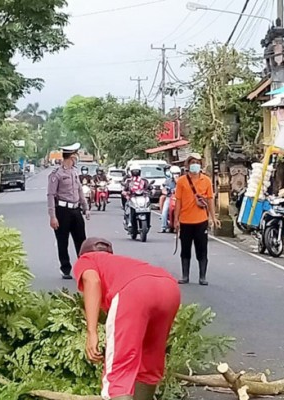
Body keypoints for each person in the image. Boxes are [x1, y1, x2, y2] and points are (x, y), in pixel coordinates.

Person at [74, 237, 180, 400]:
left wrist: (92, 332)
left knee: (120, 367)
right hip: (169, 288)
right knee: (150, 361)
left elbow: (92, 280)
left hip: (134, 291)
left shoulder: (87, 259)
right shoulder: (122, 262)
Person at [174, 153, 220, 286]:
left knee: (202, 249)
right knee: (185, 249)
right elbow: (178, 201)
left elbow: (210, 200)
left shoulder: (206, 180)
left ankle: (202, 276)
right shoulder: (182, 181)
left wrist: (213, 217)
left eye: (198, 162)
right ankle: (185, 275)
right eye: (193, 162)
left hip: (201, 221)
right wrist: (176, 220)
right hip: (185, 221)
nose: (195, 164)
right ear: (188, 165)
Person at [47, 143, 91, 279]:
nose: (76, 159)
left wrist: (85, 208)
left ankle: (83, 268)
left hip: (75, 210)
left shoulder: (75, 172)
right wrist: (52, 216)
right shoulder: (56, 174)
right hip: (62, 210)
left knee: (81, 241)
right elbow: (51, 195)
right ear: (71, 157)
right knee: (63, 241)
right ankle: (65, 268)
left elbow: (79, 191)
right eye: (75, 156)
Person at [122, 164, 149, 228]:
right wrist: (125, 193)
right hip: (132, 197)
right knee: (128, 208)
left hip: (142, 197)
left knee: (148, 206)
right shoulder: (128, 181)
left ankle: (148, 222)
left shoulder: (144, 180)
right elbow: (124, 190)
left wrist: (151, 190)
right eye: (134, 171)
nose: (136, 172)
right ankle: (128, 222)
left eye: (137, 171)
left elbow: (148, 187)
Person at [159, 166, 181, 233]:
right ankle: (163, 227)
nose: (176, 175)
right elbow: (163, 189)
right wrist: (166, 192)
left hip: (179, 199)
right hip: (170, 198)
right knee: (165, 211)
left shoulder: (182, 180)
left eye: (177, 173)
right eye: (174, 173)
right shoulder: (167, 181)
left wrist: (177, 182)